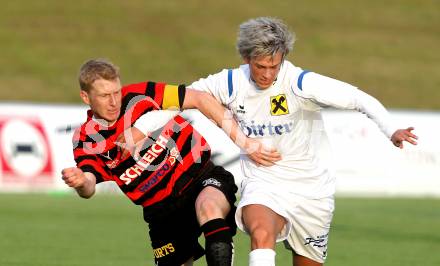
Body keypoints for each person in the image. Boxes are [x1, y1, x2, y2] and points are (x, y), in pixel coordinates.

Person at [189, 17, 418, 266]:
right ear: (246, 58)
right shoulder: (230, 83)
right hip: (264, 182)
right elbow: (184, 96)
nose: (267, 74)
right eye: (260, 66)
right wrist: (142, 123)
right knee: (261, 233)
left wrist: (391, 129)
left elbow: (357, 98)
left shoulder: (300, 83)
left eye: (274, 66)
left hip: (312, 192)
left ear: (283, 59)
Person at [61, 58, 254, 266]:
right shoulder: (87, 138)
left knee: (209, 209)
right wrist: (81, 182)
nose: (114, 101)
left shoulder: (141, 94)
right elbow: (89, 184)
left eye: (116, 92)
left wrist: (246, 143)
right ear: (85, 97)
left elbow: (199, 98)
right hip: (161, 211)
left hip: (201, 178)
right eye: (105, 95)